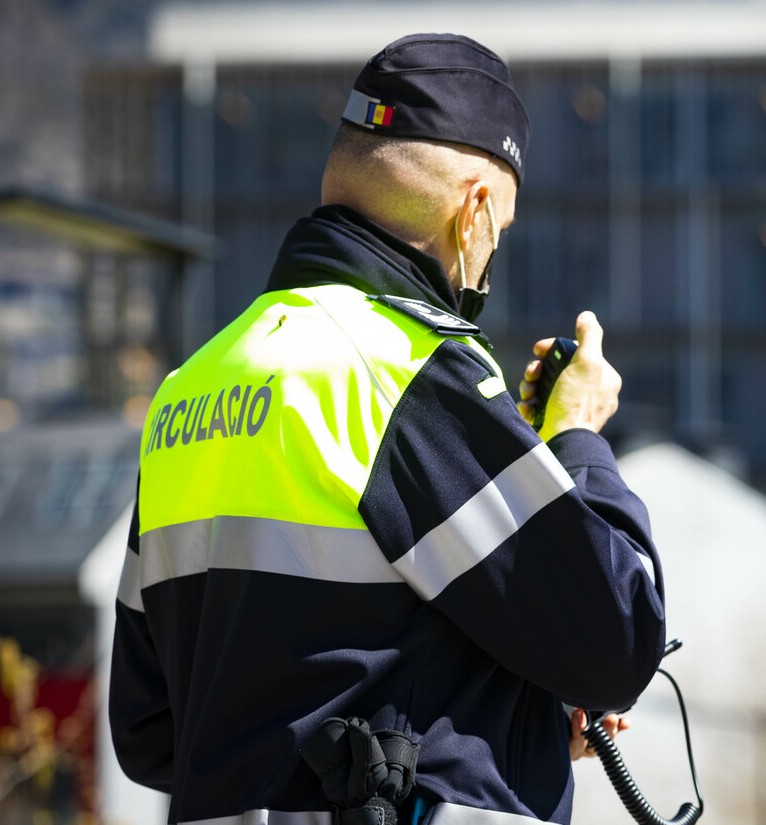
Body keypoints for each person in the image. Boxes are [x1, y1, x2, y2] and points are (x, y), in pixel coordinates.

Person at [108, 33, 667, 825]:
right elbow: (617, 639)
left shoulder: (187, 389)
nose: (487, 257)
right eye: (498, 231)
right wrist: (575, 435)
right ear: (474, 211)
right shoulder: (405, 369)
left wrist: (510, 717)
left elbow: (152, 733)